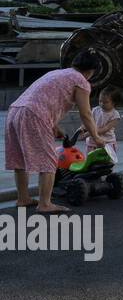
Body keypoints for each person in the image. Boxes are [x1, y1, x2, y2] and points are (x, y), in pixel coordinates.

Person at [5, 52, 106, 214]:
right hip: (34, 114)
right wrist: (96, 137)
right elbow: (86, 113)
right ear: (91, 71)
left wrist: (53, 126)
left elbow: (44, 99)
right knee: (49, 159)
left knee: (19, 159)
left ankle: (23, 199)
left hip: (15, 111)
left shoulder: (57, 73)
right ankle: (45, 204)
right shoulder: (81, 81)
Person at [89, 88, 122, 157]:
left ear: (114, 103)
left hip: (107, 141)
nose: (102, 104)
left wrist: (89, 132)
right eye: (100, 101)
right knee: (92, 158)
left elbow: (105, 129)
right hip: (94, 139)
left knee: (107, 159)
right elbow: (89, 121)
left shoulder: (115, 115)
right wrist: (84, 128)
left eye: (105, 102)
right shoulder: (95, 110)